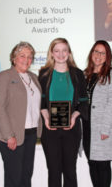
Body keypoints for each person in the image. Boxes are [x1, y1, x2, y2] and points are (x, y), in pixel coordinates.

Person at [38, 38, 88, 187]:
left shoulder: (78, 74)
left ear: (69, 53)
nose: (61, 54)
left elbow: (84, 102)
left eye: (64, 50)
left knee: (70, 171)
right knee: (53, 171)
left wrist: (74, 116)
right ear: (51, 53)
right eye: (57, 51)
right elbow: (42, 102)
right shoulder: (44, 74)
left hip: (71, 129)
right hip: (50, 130)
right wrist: (46, 118)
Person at [0, 42, 42, 187]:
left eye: (29, 56)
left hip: (31, 134)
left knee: (26, 176)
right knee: (14, 178)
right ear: (14, 58)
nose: (26, 59)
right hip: (12, 136)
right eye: (22, 56)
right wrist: (9, 135)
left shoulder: (33, 77)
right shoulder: (4, 76)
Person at [82, 40, 112, 187]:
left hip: (102, 129)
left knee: (103, 167)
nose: (98, 55)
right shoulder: (85, 75)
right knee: (92, 165)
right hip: (86, 128)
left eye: (102, 53)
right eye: (96, 51)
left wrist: (105, 128)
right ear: (92, 53)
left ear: (107, 56)